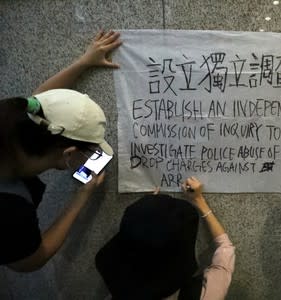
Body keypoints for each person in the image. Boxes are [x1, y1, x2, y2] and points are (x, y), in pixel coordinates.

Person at [0, 30, 122, 272]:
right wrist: (82, 197)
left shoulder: (9, 120)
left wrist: (84, 62)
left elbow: (37, 103)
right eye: (88, 150)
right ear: (68, 153)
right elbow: (29, 261)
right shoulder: (10, 212)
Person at [95, 177, 235, 300]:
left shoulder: (120, 287)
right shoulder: (207, 295)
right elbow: (225, 247)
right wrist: (200, 201)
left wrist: (147, 211)